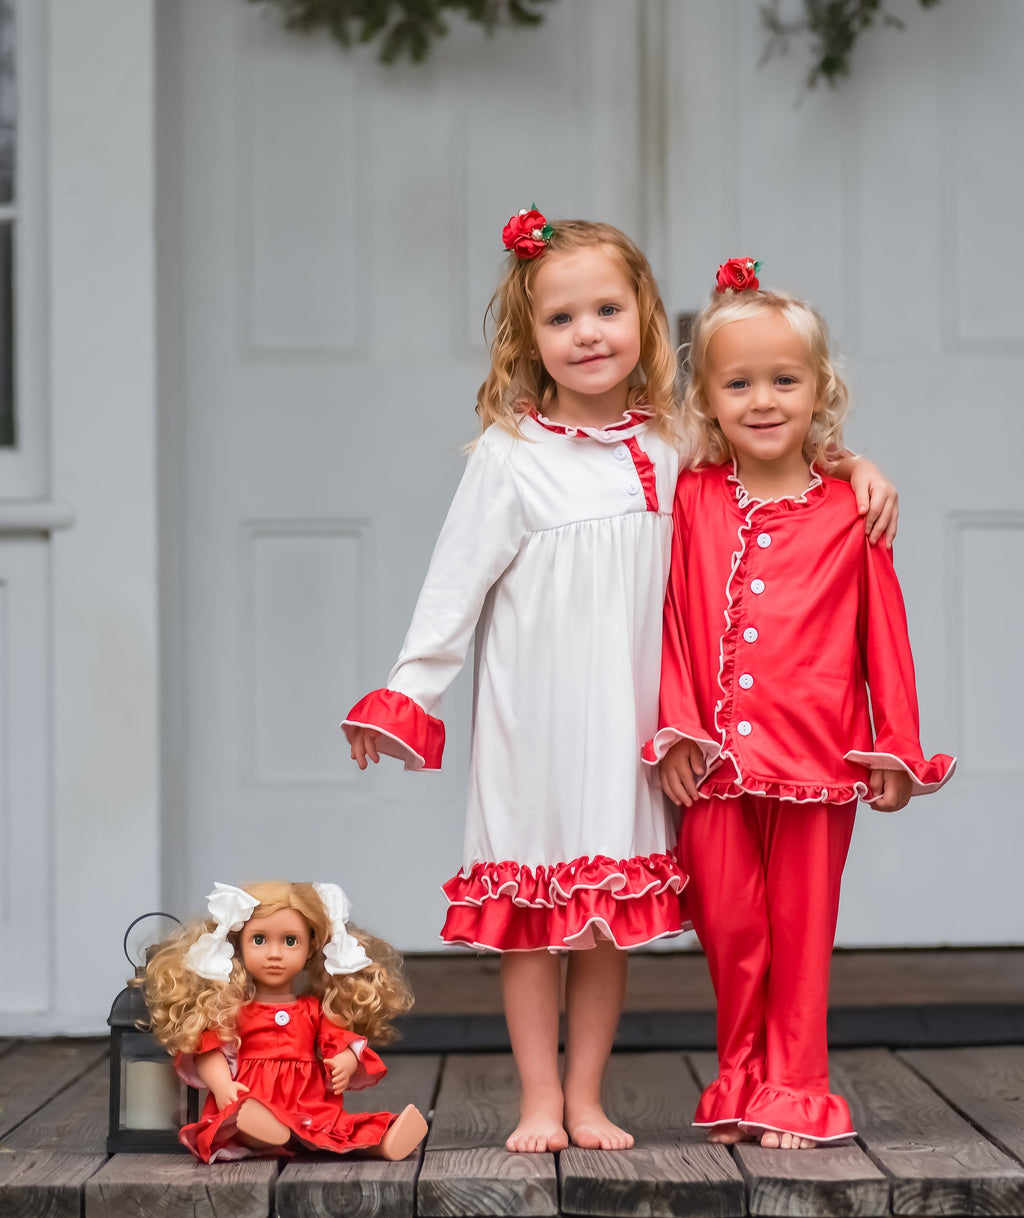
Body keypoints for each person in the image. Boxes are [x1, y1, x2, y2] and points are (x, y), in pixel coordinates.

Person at [344, 215, 897, 1154]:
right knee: (531, 921)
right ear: (530, 338)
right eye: (562, 318)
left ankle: (588, 1096)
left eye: (606, 309)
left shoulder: (675, 443)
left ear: (643, 316)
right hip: (532, 723)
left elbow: (771, 456)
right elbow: (453, 585)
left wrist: (854, 464)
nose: (588, 333)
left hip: (635, 726)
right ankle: (538, 1100)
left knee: (603, 920)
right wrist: (409, 690)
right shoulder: (511, 455)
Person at [646, 258, 955, 1150]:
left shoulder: (852, 510)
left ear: (821, 389)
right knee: (731, 927)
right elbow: (667, 622)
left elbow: (884, 634)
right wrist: (675, 727)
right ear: (707, 400)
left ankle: (795, 1086)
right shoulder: (689, 499)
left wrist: (898, 741)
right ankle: (740, 1077)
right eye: (738, 383)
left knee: (801, 931)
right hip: (712, 758)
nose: (763, 400)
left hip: (820, 757)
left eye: (785, 380)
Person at [141, 880, 427, 1163]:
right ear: (238, 946)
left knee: (333, 1131)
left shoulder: (314, 1009)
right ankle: (264, 1133)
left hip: (308, 1105)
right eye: (259, 940)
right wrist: (222, 1085)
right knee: (244, 1117)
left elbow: (341, 1042)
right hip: (251, 1098)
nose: (274, 954)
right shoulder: (232, 1010)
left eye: (290, 941)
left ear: (310, 948)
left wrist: (345, 1063)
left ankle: (384, 1142)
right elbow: (210, 1049)